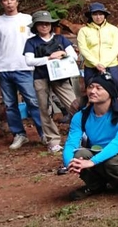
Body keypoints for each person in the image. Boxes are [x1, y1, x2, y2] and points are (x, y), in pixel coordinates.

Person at [0, 0, 45, 150]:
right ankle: (19, 134)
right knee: (9, 104)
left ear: (17, 1)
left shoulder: (27, 19)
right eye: (5, 0)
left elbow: (36, 40)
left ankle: (43, 133)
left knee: (33, 101)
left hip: (25, 67)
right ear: (1, 3)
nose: (8, 2)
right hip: (4, 68)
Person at [63, 75, 118, 201]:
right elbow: (71, 143)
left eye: (99, 88)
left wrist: (92, 162)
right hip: (96, 152)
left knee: (110, 159)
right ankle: (95, 186)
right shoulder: (81, 116)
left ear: (110, 92)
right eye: (90, 87)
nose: (92, 91)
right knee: (79, 154)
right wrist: (70, 162)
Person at [24, 11, 78, 155]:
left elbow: (74, 55)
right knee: (44, 109)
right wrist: (48, 58)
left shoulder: (60, 39)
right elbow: (29, 61)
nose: (44, 26)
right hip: (41, 77)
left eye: (47, 23)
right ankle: (53, 141)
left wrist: (62, 54)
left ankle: (81, 135)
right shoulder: (32, 42)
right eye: (41, 24)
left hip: (61, 77)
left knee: (74, 105)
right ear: (35, 26)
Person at [77, 2, 118, 94]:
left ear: (105, 15)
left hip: (110, 65)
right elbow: (83, 49)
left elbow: (115, 48)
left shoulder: (113, 29)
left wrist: (103, 64)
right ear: (91, 16)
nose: (98, 17)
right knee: (92, 92)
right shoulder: (83, 31)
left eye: (101, 14)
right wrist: (96, 63)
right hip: (91, 66)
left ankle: (115, 108)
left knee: (114, 90)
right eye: (95, 14)